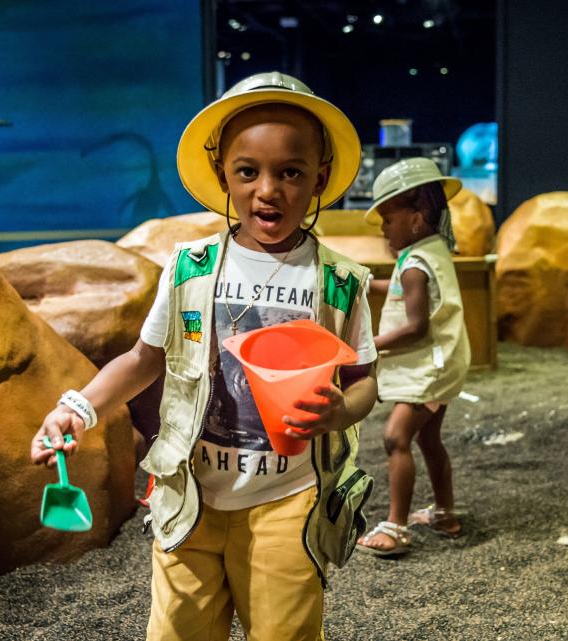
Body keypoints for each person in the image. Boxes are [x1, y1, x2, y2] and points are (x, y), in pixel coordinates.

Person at [30, 71, 379, 641]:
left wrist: (343, 410)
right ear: (224, 175)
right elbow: (143, 359)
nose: (268, 190)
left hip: (289, 498)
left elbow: (365, 379)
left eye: (290, 172)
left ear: (319, 179)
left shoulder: (342, 281)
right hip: (189, 494)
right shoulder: (189, 266)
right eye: (249, 171)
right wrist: (79, 407)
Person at [356, 157, 470, 557]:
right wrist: (371, 284)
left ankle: (396, 527)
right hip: (446, 362)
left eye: (388, 219)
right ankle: (444, 513)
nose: (384, 228)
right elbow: (408, 286)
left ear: (417, 217)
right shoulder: (429, 250)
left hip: (430, 369)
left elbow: (416, 325)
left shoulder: (415, 265)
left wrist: (370, 344)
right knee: (428, 437)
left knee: (395, 437)